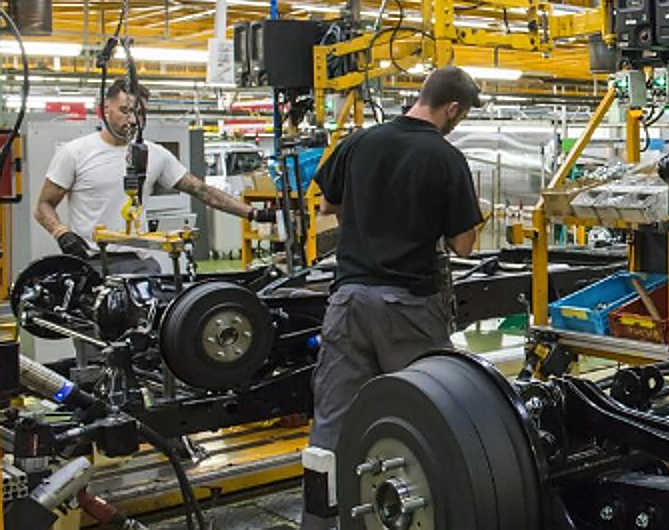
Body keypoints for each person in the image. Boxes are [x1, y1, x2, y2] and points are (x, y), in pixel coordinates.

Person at [302, 66, 483, 530]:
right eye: (459, 117)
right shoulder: (445, 158)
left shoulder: (359, 142)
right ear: (452, 109)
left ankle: (320, 523)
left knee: (332, 425)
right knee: (428, 416)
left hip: (348, 303)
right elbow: (463, 246)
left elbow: (327, 206)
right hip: (409, 308)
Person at [36, 77, 273, 273]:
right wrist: (61, 233)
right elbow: (44, 206)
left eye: (138, 113)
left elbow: (201, 191)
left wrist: (254, 213)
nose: (131, 120)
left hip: (139, 261)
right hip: (91, 261)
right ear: (105, 109)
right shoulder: (75, 153)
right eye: (124, 111)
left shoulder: (154, 154)